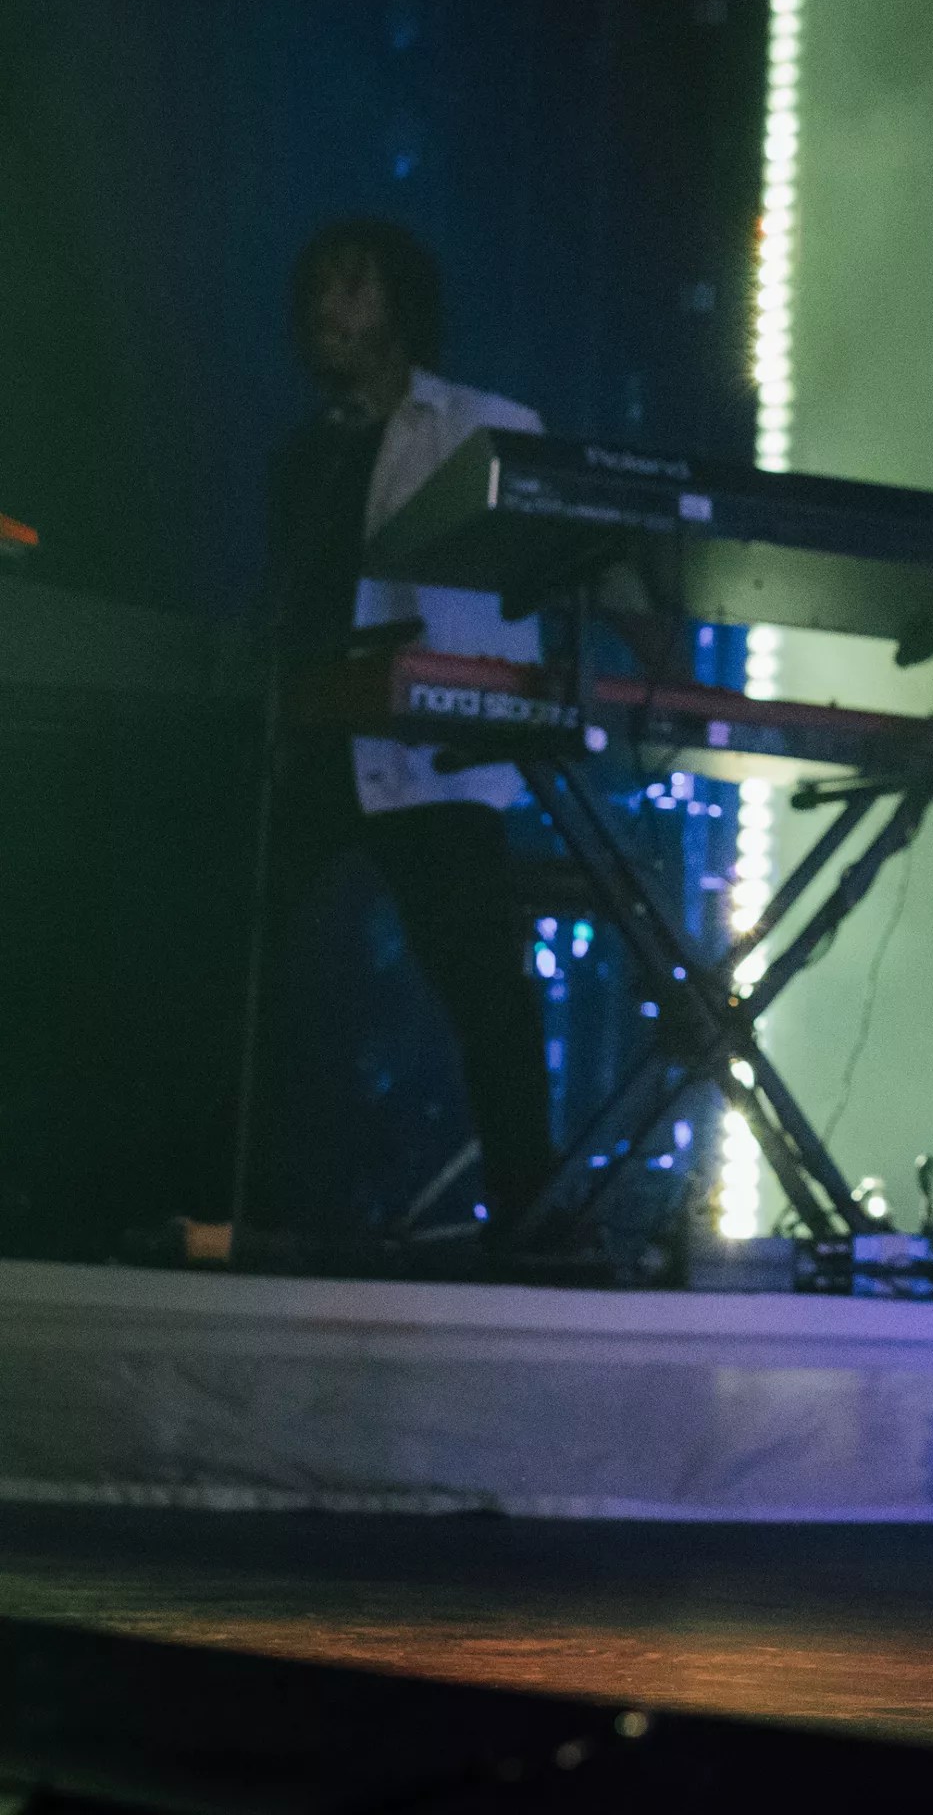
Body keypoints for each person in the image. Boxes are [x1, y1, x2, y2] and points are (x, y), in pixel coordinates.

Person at [262, 218, 557, 1240]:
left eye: (352, 286)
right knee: (243, 958)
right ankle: (241, 1193)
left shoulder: (483, 427)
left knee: (485, 994)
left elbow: (566, 557)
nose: (327, 307)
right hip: (324, 745)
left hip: (436, 755)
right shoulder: (304, 455)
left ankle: (532, 1217)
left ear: (401, 306)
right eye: (318, 288)